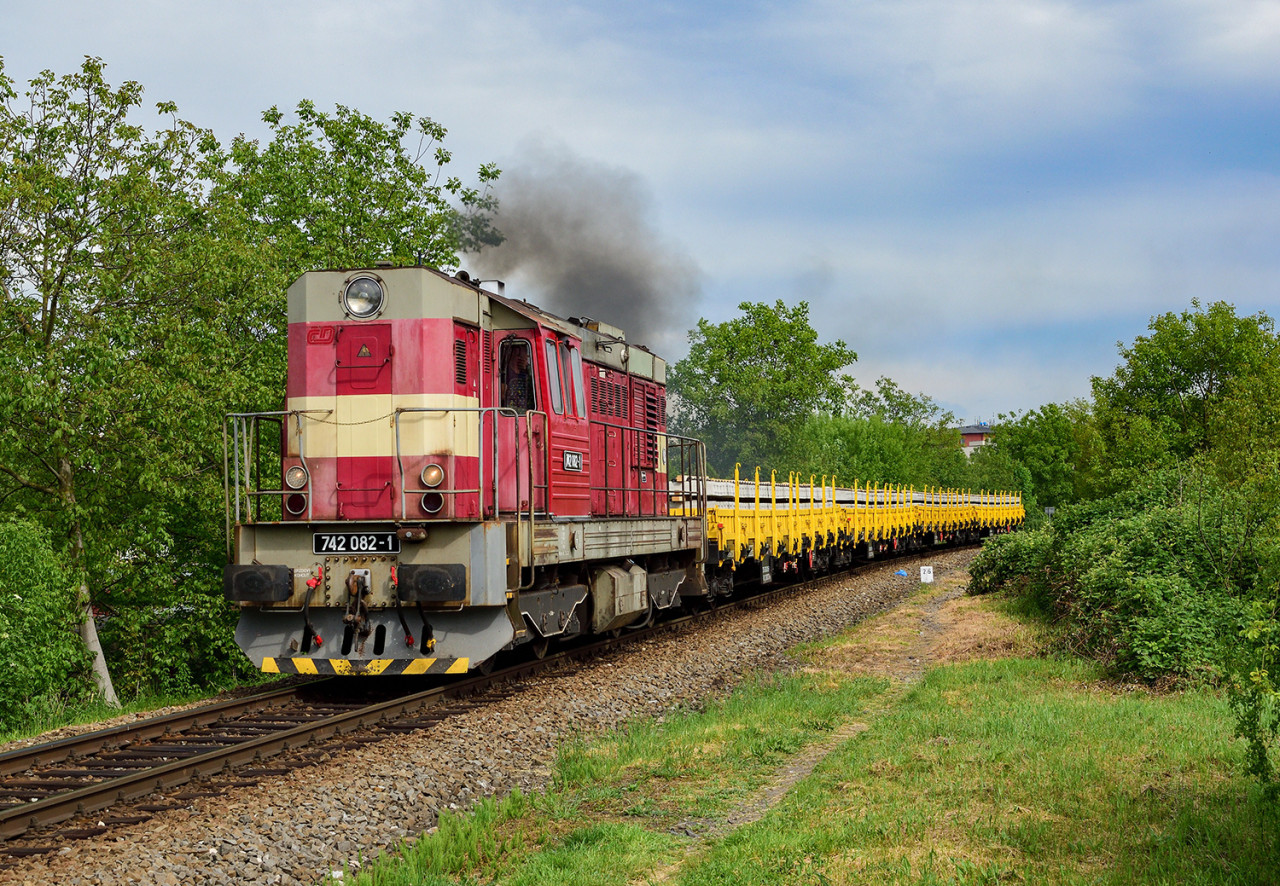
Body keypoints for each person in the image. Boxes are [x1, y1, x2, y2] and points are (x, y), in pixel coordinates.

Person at [502, 344, 533, 413]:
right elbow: (502, 396)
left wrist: (528, 369)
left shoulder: (527, 374)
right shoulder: (503, 374)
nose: (526, 358)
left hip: (525, 412)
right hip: (510, 413)